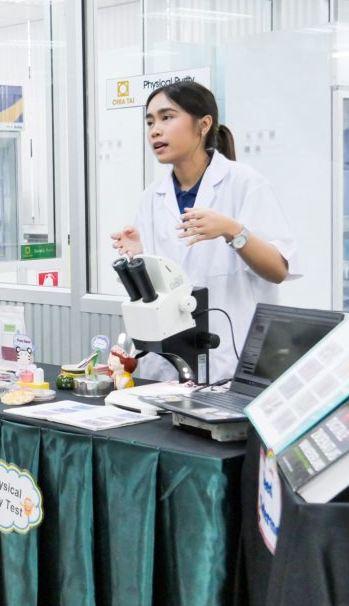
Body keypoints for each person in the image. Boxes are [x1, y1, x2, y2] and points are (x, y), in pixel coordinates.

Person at [111, 80, 299, 382]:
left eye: (167, 117)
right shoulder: (152, 197)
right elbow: (163, 292)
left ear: (204, 124)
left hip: (230, 361)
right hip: (168, 368)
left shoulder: (245, 184)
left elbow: (278, 269)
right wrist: (139, 259)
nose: (155, 130)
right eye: (150, 122)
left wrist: (232, 231)